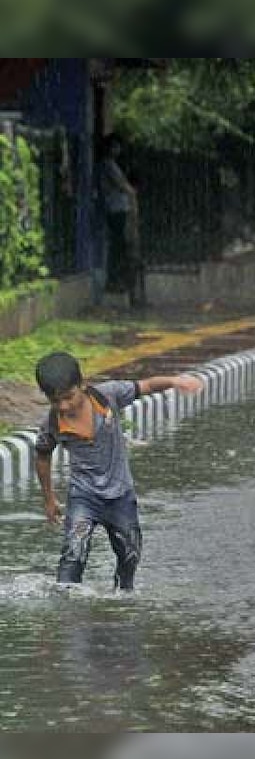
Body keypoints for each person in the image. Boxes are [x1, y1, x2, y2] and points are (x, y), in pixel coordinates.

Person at [33, 352, 204, 590]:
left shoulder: (107, 395)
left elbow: (145, 385)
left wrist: (175, 381)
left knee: (129, 554)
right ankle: (66, 608)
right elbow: (42, 456)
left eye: (68, 397)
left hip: (120, 495)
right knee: (74, 553)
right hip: (83, 497)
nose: (64, 406)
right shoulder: (52, 422)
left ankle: (121, 602)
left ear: (82, 385)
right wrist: (49, 499)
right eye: (55, 401)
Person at [99, 136, 139, 301]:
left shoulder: (112, 165)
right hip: (116, 209)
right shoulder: (108, 165)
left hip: (118, 208)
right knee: (118, 244)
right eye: (116, 147)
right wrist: (131, 193)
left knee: (120, 244)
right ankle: (115, 280)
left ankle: (118, 280)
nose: (118, 150)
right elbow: (122, 184)